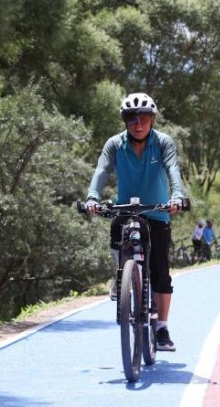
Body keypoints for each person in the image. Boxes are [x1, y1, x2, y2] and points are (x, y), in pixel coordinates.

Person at [85, 92, 185, 352]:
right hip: (126, 209)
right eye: (131, 118)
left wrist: (177, 196)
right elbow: (102, 170)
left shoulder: (163, 142)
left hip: (158, 211)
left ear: (152, 119)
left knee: (161, 273)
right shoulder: (114, 144)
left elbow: (173, 169)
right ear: (125, 120)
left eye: (143, 118)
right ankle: (122, 279)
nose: (137, 123)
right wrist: (92, 198)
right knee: (117, 235)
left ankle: (162, 327)